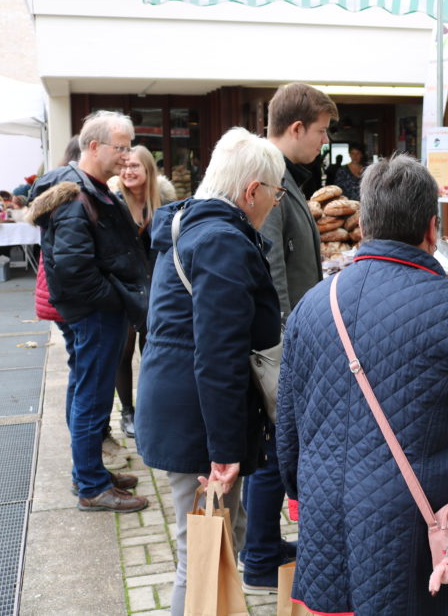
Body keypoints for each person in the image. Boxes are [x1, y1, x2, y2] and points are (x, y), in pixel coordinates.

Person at [277, 155, 448, 615]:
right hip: (422, 535)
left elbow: (289, 425)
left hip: (331, 522)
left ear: (363, 225)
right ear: (432, 229)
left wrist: (299, 495)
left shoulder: (313, 304)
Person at [134, 127, 282, 616]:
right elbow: (217, 354)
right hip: (200, 420)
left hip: (183, 408)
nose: (274, 205)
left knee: (212, 544)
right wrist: (222, 451)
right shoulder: (222, 240)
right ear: (252, 191)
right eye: (276, 194)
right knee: (201, 553)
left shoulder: (188, 224)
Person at [235, 83, 338, 594]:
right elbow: (270, 266)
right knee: (277, 450)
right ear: (295, 128)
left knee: (275, 449)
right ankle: (259, 555)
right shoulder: (271, 176)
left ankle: (262, 546)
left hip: (285, 333)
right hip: (282, 339)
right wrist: (286, 343)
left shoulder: (284, 175)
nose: (323, 142)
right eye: (320, 132)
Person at [28, 111, 150, 512]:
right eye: (121, 147)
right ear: (94, 146)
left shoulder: (86, 187)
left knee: (88, 393)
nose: (127, 155)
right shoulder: (75, 194)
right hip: (95, 312)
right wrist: (113, 300)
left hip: (95, 311)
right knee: (92, 398)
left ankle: (88, 473)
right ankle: (92, 485)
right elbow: (73, 270)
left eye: (129, 146)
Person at [107, 146, 176, 437]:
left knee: (152, 351)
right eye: (124, 166)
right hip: (123, 287)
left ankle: (151, 408)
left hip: (156, 288)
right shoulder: (112, 203)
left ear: (149, 170)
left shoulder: (164, 204)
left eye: (135, 166)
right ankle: (127, 412)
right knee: (123, 352)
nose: (129, 171)